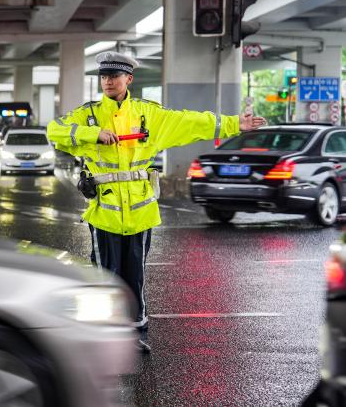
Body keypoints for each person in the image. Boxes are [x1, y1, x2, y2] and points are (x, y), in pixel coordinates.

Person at [46, 51, 266, 353]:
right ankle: (104, 335)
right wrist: (93, 134)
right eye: (104, 76)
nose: (108, 80)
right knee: (104, 278)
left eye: (115, 75)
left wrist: (234, 124)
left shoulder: (150, 115)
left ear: (129, 79)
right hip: (104, 214)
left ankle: (135, 334)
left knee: (134, 277)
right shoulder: (88, 114)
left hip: (140, 213)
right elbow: (55, 131)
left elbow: (192, 122)